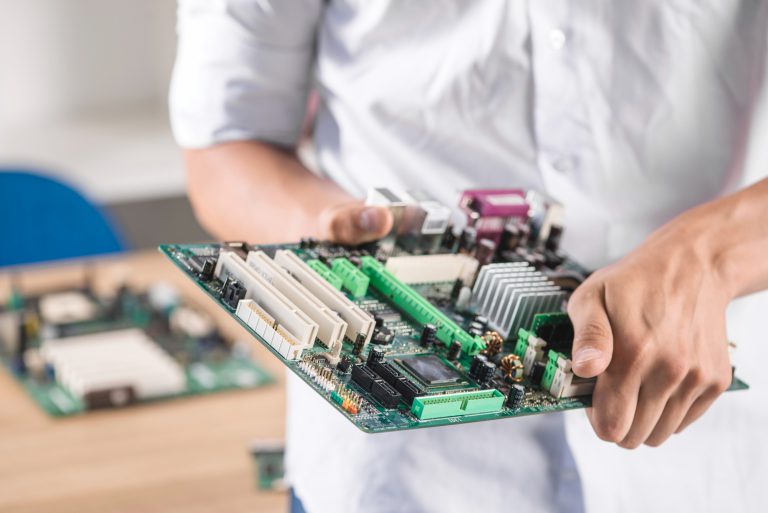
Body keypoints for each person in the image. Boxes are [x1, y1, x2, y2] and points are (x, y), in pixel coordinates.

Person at [169, 2, 768, 512]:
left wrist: (708, 256)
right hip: (399, 473)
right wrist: (332, 235)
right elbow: (226, 142)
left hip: (699, 461)